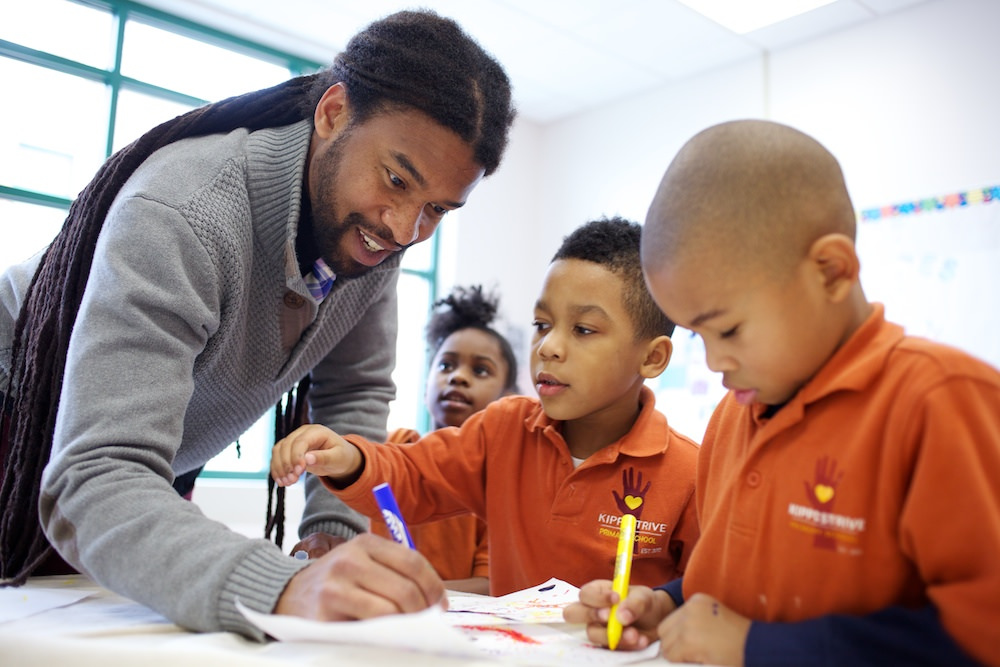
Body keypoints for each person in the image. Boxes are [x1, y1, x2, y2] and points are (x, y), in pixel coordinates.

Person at [0, 10, 515, 639]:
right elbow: (96, 472)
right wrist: (284, 586)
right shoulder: (183, 214)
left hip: (138, 465)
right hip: (22, 423)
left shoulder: (373, 242)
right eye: (396, 179)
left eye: (437, 208)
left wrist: (331, 541)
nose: (405, 230)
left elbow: (352, 391)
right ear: (332, 114)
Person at [564, 120, 1000, 666]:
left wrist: (759, 647)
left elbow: (983, 638)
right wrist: (665, 606)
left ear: (831, 271)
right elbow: (731, 587)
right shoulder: (731, 418)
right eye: (698, 335)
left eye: (729, 329)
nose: (715, 361)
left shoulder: (942, 401)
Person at [271, 216, 701, 596]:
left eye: (584, 329)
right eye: (542, 325)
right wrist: (348, 457)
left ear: (652, 357)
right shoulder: (503, 430)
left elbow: (702, 594)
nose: (548, 347)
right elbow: (414, 476)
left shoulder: (690, 472)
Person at [371, 284, 519, 594]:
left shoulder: (500, 484)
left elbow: (491, 585)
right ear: (426, 383)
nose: (458, 377)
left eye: (480, 370)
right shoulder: (392, 450)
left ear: (508, 398)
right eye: (445, 365)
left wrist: (413, 592)